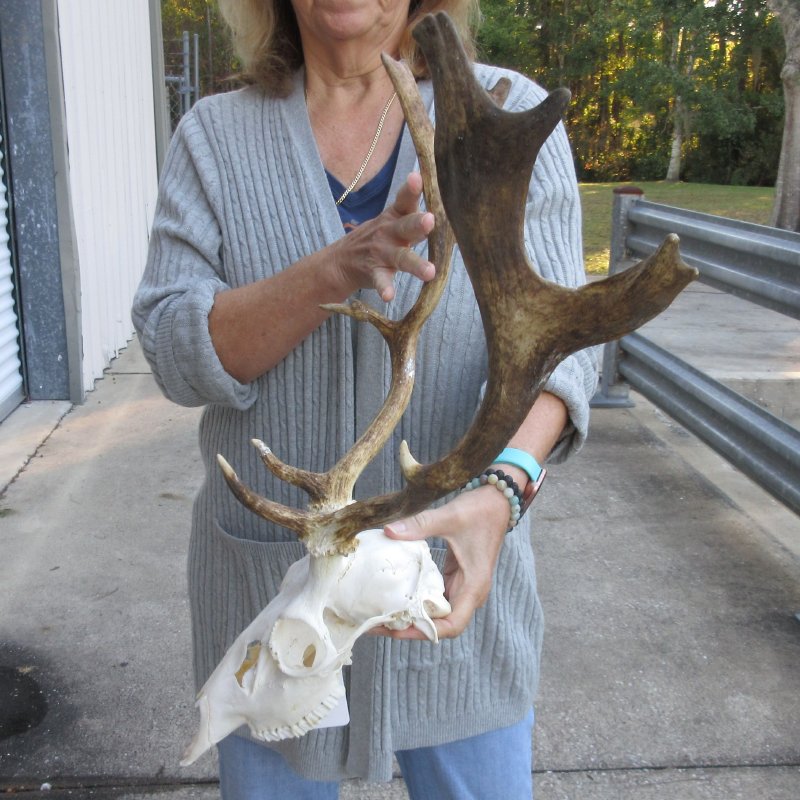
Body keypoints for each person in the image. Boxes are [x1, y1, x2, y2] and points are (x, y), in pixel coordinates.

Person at [132, 0, 597, 796]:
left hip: (452, 592)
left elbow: (564, 344)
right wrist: (336, 267)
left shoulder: (506, 118)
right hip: (280, 618)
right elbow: (176, 349)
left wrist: (504, 490)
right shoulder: (215, 137)